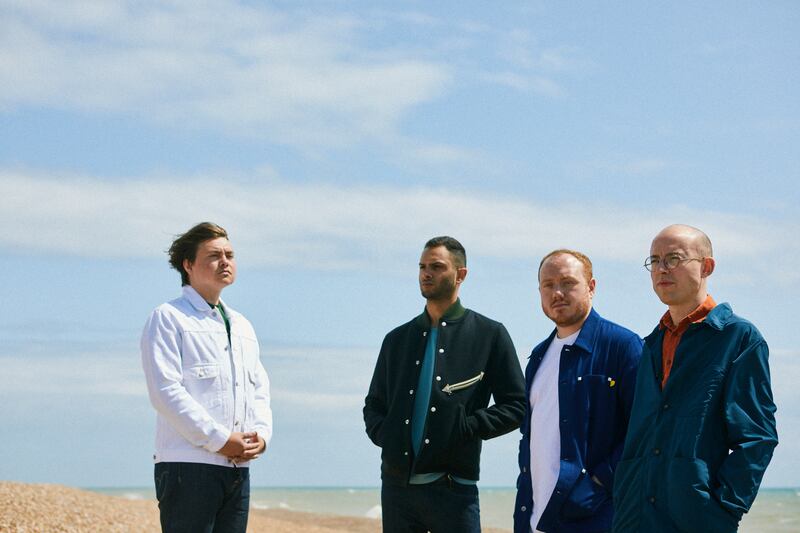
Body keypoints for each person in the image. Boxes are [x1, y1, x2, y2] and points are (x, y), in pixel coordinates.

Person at [612, 224, 778, 533]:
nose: (662, 269)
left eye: (673, 258)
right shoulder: (649, 345)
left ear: (707, 266)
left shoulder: (738, 338)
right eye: (655, 260)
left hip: (697, 519)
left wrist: (724, 509)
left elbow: (757, 438)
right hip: (633, 517)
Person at [364, 236, 526, 533]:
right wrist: (386, 435)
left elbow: (516, 405)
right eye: (422, 267)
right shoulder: (396, 340)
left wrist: (467, 427)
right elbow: (374, 404)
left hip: (455, 490)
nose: (426, 273)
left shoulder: (490, 335)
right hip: (397, 488)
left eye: (437, 267)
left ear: (460, 274)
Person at [141, 222, 272, 533]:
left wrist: (262, 437)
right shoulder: (168, 317)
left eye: (230, 254)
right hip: (188, 467)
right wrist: (220, 440)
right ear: (188, 265)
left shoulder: (242, 326)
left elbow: (259, 389)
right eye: (214, 255)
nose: (225, 261)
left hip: (238, 468)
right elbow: (165, 392)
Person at [513, 250, 642, 533]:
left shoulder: (623, 346)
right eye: (548, 285)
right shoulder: (538, 356)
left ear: (591, 287)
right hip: (535, 518)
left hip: (594, 517)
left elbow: (645, 430)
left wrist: (597, 483)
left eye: (567, 282)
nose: (557, 292)